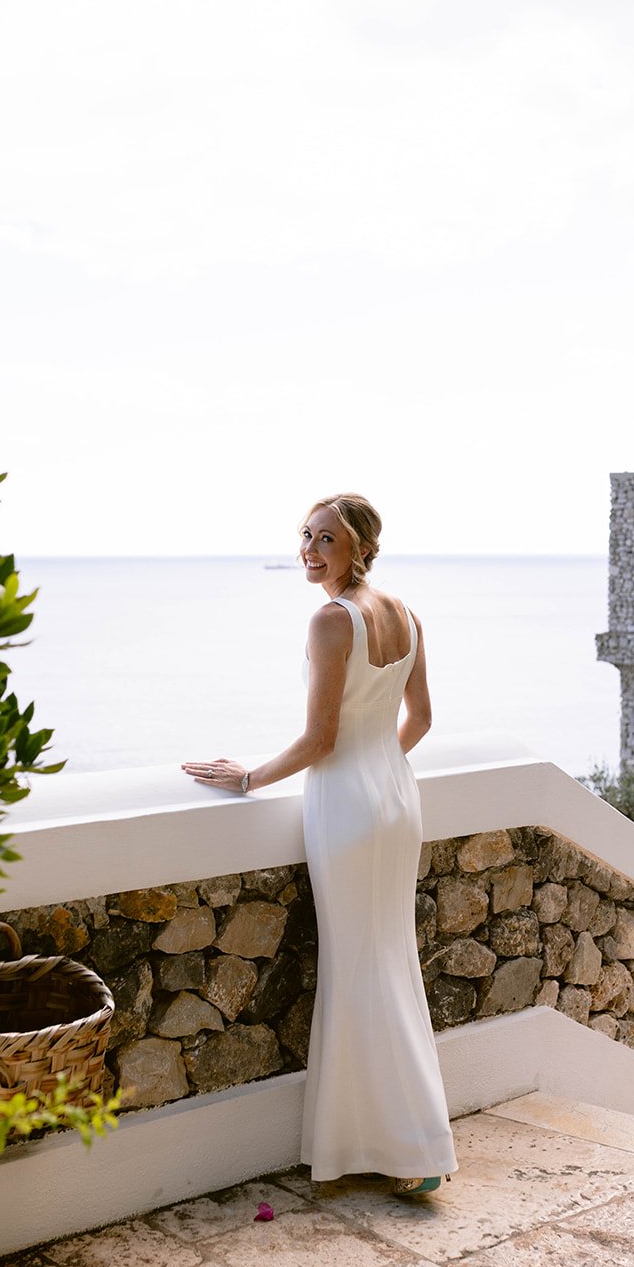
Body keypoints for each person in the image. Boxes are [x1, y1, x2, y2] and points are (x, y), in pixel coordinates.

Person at [182, 493, 457, 1195]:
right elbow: (421, 719)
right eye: (305, 535)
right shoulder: (406, 615)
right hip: (395, 800)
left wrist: (247, 778)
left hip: (347, 808)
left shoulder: (332, 621)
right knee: (386, 962)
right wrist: (377, 767)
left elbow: (320, 740)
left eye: (325, 539)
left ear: (358, 548)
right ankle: (397, 1142)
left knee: (359, 968)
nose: (309, 550)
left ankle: (411, 1150)